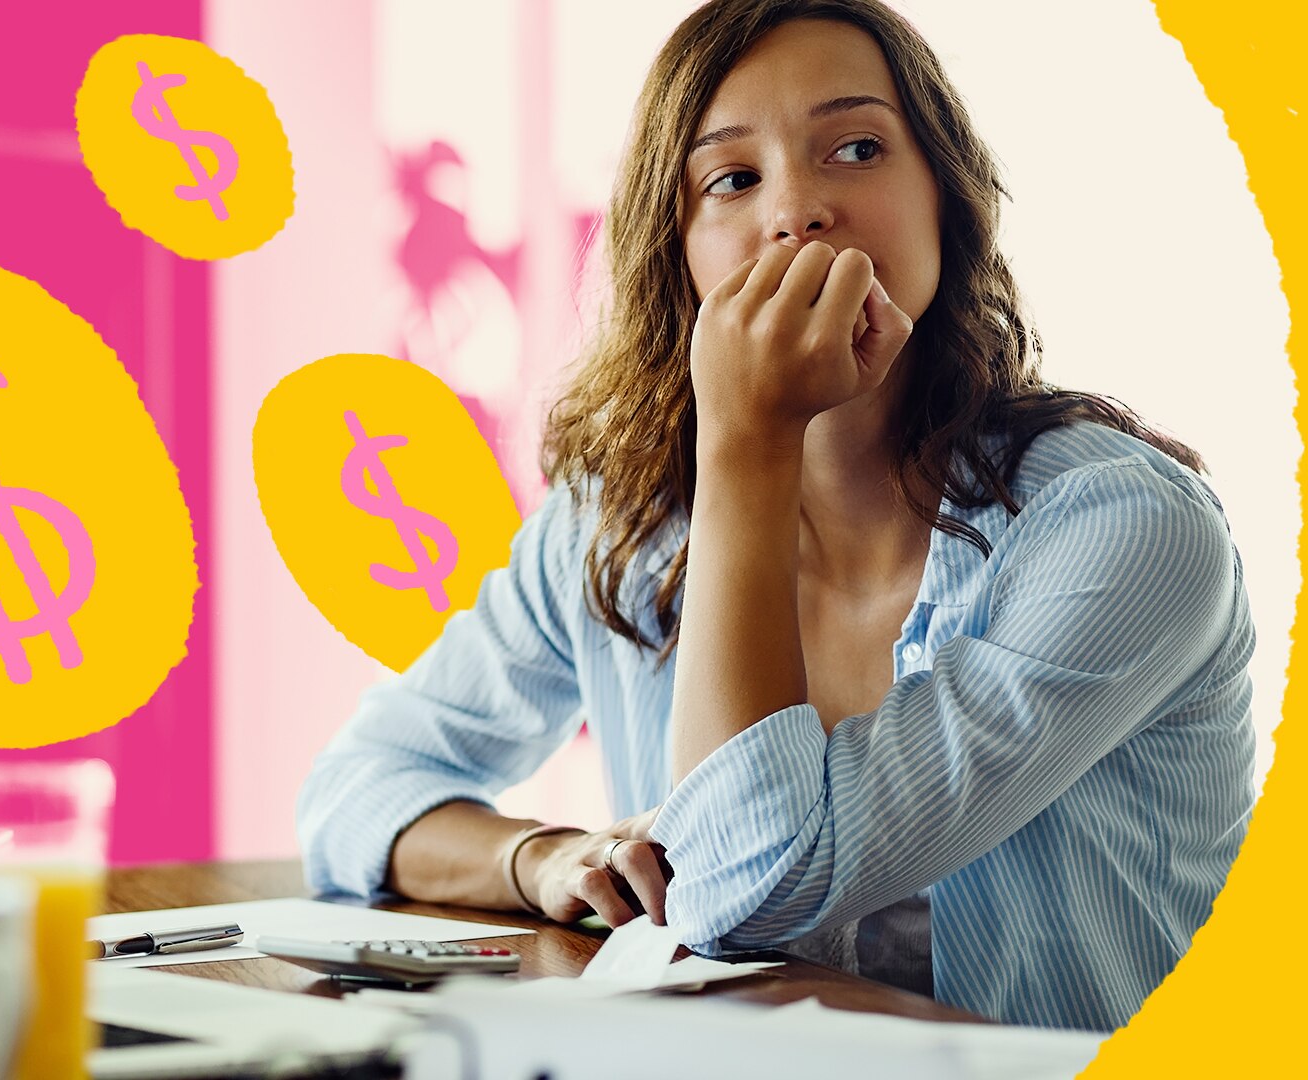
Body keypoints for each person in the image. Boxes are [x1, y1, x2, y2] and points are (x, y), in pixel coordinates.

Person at [296, 0, 1255, 1032]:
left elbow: (747, 890)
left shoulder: (1117, 533)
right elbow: (357, 794)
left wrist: (745, 445)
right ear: (681, 253)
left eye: (854, 148)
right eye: (732, 179)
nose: (797, 211)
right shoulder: (618, 523)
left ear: (945, 196)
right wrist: (534, 859)